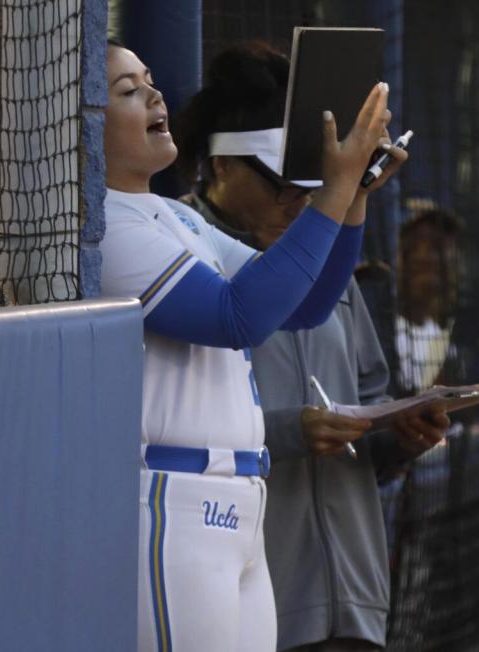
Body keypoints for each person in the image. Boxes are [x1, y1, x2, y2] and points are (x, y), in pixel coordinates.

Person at [99, 40, 398, 652]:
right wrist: (332, 192)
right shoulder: (102, 223)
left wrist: (355, 198)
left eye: (150, 78)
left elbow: (306, 305)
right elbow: (238, 316)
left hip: (241, 503)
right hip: (171, 498)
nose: (154, 94)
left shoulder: (171, 216)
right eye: (127, 91)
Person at [172, 41, 450, 652]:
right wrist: (289, 432)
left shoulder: (327, 262)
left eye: (314, 185)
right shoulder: (178, 262)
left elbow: (368, 395)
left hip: (353, 598)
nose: (300, 202)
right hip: (240, 598)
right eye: (281, 184)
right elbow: (162, 433)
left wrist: (396, 436)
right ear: (222, 166)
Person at [393, 200, 464, 396]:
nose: (437, 256)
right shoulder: (381, 329)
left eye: (444, 243)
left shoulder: (451, 335)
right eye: (425, 242)